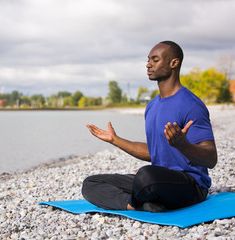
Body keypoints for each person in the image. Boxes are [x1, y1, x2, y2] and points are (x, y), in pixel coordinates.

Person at [82, 41, 217, 212]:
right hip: (158, 180)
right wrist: (115, 140)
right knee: (91, 183)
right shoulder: (152, 105)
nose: (148, 65)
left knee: (145, 176)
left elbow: (211, 159)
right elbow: (154, 152)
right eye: (148, 60)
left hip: (191, 185)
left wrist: (183, 145)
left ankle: (143, 200)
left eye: (155, 60)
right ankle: (136, 205)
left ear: (173, 63)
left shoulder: (191, 105)